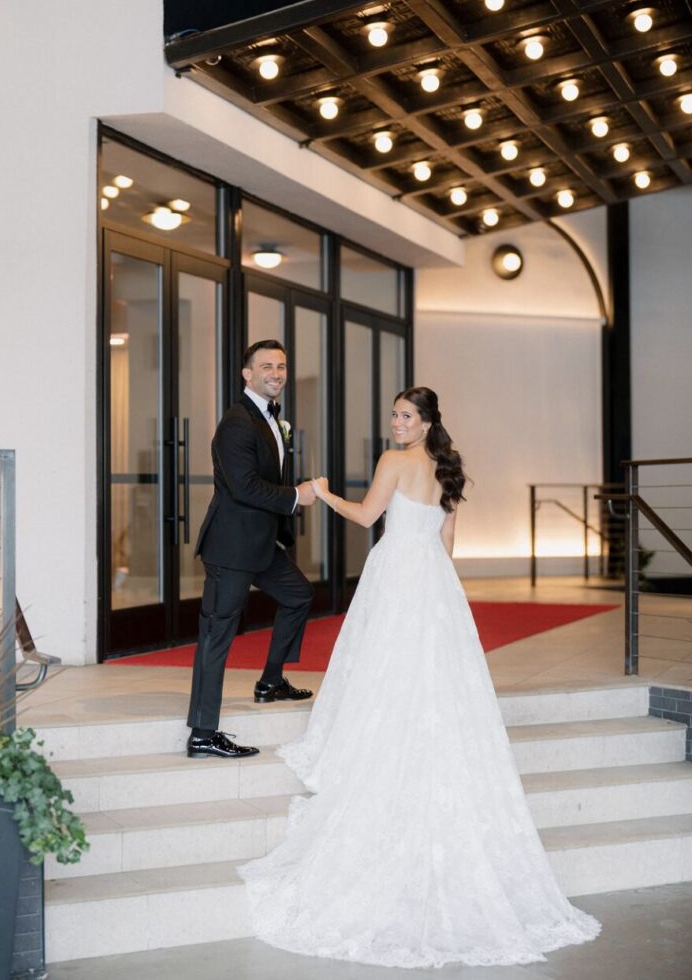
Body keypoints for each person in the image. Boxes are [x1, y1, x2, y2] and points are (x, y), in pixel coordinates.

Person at [240, 386, 601, 968]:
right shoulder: (448, 468)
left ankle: (383, 750)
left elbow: (367, 516)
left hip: (398, 574)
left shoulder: (394, 461)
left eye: (407, 416)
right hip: (433, 579)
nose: (397, 423)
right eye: (394, 415)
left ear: (428, 421)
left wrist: (323, 493)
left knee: (383, 666)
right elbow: (447, 542)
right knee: (432, 674)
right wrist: (436, 587)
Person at [186, 340, 317, 760]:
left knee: (299, 595)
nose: (276, 373)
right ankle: (203, 734)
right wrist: (295, 497)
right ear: (247, 374)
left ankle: (271, 681)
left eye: (281, 366)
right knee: (216, 636)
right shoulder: (237, 423)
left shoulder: (270, 419)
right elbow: (243, 487)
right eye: (266, 367)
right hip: (231, 548)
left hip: (261, 544)